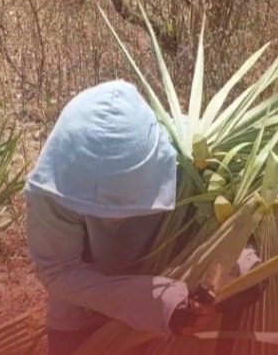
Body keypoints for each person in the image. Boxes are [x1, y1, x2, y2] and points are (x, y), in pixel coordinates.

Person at [24, 80, 263, 355]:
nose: (113, 221)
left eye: (126, 206)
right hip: (83, 296)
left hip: (174, 281)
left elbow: (221, 220)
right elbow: (60, 270)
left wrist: (242, 264)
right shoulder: (54, 183)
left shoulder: (192, 160)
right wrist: (158, 302)